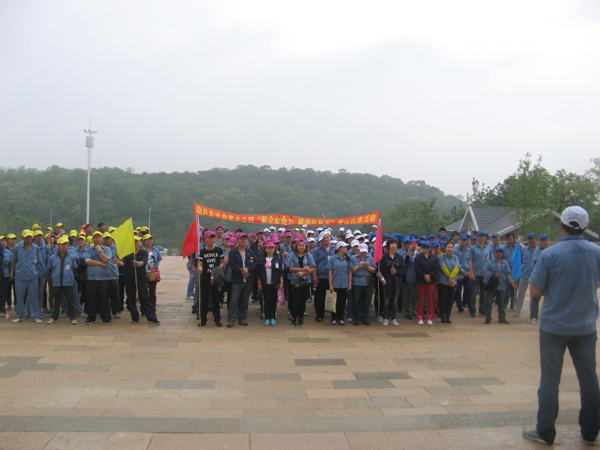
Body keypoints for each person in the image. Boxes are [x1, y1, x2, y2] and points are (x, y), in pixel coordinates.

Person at [523, 206, 600, 446]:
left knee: (550, 379)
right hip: (585, 326)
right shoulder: (597, 252)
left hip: (554, 327)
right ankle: (590, 432)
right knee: (588, 378)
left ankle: (546, 431)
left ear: (561, 225)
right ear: (586, 227)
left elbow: (535, 290)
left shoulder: (550, 254)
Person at [123, 237, 160, 325]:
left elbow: (144, 261)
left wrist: (138, 263)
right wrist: (118, 262)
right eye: (134, 241)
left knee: (145, 297)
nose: (135, 243)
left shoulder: (143, 252)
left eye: (137, 241)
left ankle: (151, 317)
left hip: (141, 278)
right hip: (130, 278)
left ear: (140, 242)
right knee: (131, 298)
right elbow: (124, 263)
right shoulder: (128, 253)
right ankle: (135, 317)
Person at [226, 233, 257, 327]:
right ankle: (231, 319)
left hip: (248, 280)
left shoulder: (250, 252)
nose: (243, 241)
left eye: (245, 239)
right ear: (237, 240)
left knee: (245, 300)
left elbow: (255, 263)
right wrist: (242, 271)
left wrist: (248, 269)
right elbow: (232, 264)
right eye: (241, 239)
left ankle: (242, 318)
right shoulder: (233, 252)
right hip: (237, 280)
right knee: (234, 300)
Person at [12, 230, 43, 323]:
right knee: (20, 297)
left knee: (34, 297)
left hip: (32, 276)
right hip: (20, 277)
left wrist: (30, 267)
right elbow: (14, 260)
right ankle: (19, 315)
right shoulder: (17, 248)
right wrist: (20, 268)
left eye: (30, 237)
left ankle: (36, 315)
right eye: (26, 237)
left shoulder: (35, 248)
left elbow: (38, 261)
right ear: (22, 237)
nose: (28, 239)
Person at [46, 236, 79, 324]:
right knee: (56, 301)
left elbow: (74, 268)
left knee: (70, 301)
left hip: (68, 282)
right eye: (62, 244)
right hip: (57, 283)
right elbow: (49, 269)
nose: (64, 246)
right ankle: (54, 317)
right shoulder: (52, 257)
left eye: (66, 244)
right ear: (58, 245)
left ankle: (73, 317)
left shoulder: (71, 257)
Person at [84, 231, 112, 325]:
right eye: (95, 237)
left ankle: (106, 318)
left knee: (104, 298)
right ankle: (91, 317)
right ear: (92, 239)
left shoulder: (107, 249)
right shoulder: (89, 250)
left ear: (102, 239)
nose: (97, 239)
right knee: (91, 298)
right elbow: (88, 261)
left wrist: (100, 250)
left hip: (103, 278)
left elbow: (105, 259)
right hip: (92, 278)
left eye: (99, 237)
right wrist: (100, 263)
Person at [286, 238, 316, 326]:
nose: (301, 247)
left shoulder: (308, 255)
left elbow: (312, 268)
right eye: (299, 245)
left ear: (305, 246)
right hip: (295, 281)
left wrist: (303, 272)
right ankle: (294, 318)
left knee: (303, 301)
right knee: (296, 300)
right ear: (296, 246)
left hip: (306, 281)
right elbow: (290, 268)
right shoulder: (292, 254)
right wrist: (301, 270)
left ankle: (301, 318)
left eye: (303, 245)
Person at [197, 231, 223, 327]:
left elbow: (222, 262)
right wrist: (200, 268)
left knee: (216, 299)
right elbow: (200, 263)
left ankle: (217, 319)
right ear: (205, 239)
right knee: (204, 299)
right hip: (205, 277)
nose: (211, 240)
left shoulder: (219, 251)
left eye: (213, 238)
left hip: (215, 278)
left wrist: (218, 269)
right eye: (209, 238)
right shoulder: (202, 252)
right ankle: (203, 319)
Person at [482, 247, 514, 325]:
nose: (498, 254)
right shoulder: (490, 263)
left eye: (500, 252)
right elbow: (484, 272)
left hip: (502, 285)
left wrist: (512, 283)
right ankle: (488, 318)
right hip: (492, 285)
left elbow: (508, 274)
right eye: (497, 252)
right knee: (489, 302)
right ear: (494, 253)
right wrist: (493, 274)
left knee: (501, 303)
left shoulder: (505, 263)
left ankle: (502, 318)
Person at [377, 238, 405, 326]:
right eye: (392, 244)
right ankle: (385, 318)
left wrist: (397, 271)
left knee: (394, 301)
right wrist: (378, 274)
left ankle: (394, 318)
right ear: (388, 246)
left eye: (395, 244)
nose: (393, 246)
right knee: (386, 301)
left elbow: (404, 269)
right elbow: (380, 269)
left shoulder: (399, 257)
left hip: (396, 282)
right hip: (386, 282)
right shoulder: (383, 257)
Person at [257, 241, 284, 326]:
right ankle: (267, 317)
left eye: (272, 248)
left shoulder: (277, 260)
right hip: (265, 284)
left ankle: (273, 317)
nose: (271, 249)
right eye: (269, 248)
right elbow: (259, 273)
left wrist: (281, 283)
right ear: (265, 249)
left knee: (273, 301)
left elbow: (281, 273)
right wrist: (259, 283)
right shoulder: (261, 260)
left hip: (274, 284)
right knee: (266, 301)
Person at [514, 233, 540, 318]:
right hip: (524, 274)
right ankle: (517, 310)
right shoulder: (524, 250)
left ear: (536, 240)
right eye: (530, 239)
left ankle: (533, 312)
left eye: (533, 239)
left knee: (533, 295)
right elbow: (519, 261)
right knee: (521, 293)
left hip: (535, 276)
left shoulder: (539, 250)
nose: (531, 241)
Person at [438, 241, 465, 324]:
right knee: (443, 300)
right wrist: (450, 277)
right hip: (443, 282)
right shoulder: (441, 257)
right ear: (445, 248)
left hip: (453, 282)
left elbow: (457, 268)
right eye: (448, 247)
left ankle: (448, 317)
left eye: (451, 247)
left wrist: (451, 278)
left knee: (450, 301)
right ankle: (443, 317)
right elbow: (444, 268)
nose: (450, 249)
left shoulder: (456, 257)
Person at [327, 241, 352, 326]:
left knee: (342, 302)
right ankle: (334, 318)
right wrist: (330, 284)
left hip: (344, 283)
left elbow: (349, 271)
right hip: (335, 283)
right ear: (339, 248)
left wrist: (350, 283)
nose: (346, 248)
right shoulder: (333, 259)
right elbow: (330, 272)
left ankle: (341, 318)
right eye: (344, 247)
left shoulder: (347, 259)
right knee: (334, 302)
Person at [414, 241, 439, 325]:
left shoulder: (434, 258)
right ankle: (419, 317)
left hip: (431, 281)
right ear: (422, 248)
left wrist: (429, 275)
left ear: (430, 248)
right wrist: (424, 275)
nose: (425, 248)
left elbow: (436, 269)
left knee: (431, 299)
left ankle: (430, 317)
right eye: (424, 247)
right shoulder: (418, 257)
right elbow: (416, 268)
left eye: (427, 247)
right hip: (421, 280)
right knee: (420, 299)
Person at [312, 231, 335, 323]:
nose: (327, 239)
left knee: (333, 296)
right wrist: (314, 276)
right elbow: (315, 264)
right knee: (320, 297)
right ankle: (319, 315)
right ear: (321, 240)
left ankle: (334, 317)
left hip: (333, 277)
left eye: (328, 237)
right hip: (321, 276)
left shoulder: (335, 249)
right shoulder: (317, 250)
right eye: (324, 238)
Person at [351, 243, 375, 326]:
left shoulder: (370, 258)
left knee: (366, 301)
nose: (363, 253)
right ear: (358, 250)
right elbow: (351, 270)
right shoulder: (353, 258)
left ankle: (365, 318)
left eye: (365, 252)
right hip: (356, 281)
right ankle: (356, 318)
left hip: (366, 282)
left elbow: (373, 270)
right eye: (362, 251)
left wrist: (367, 266)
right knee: (356, 301)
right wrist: (359, 265)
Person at [467, 231, 490, 318]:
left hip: (485, 275)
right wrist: (471, 273)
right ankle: (472, 311)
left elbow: (490, 261)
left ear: (485, 238)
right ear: (477, 237)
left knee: (484, 293)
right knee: (473, 293)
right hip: (476, 274)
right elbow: (470, 261)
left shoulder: (488, 249)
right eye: (479, 236)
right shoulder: (472, 249)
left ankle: (482, 311)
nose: (481, 238)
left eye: (482, 236)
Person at [530, 234, 551, 325]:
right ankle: (534, 317)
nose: (545, 242)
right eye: (543, 241)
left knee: (550, 297)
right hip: (540, 276)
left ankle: (549, 316)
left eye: (546, 240)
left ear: (548, 241)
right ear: (540, 242)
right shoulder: (537, 251)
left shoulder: (552, 250)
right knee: (536, 297)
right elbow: (537, 262)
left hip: (550, 277)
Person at [144, 234, 162, 312]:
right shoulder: (142, 250)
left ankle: (153, 309)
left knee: (152, 292)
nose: (150, 241)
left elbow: (159, 259)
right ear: (144, 241)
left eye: (151, 239)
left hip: (152, 274)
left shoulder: (155, 250)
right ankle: (144, 309)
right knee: (144, 293)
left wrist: (155, 267)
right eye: (148, 240)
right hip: (143, 274)